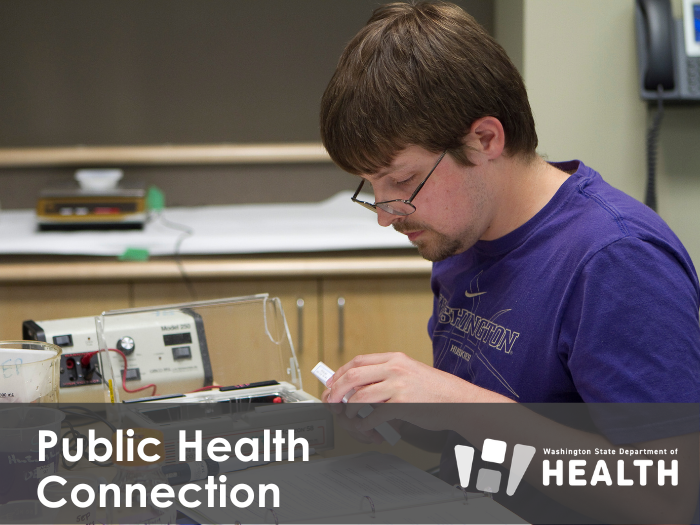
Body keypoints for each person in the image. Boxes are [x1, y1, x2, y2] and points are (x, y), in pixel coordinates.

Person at [318, 2, 700, 522]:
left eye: (403, 182)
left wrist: (456, 403)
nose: (386, 216)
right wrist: (407, 414)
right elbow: (498, 442)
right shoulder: (462, 234)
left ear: (485, 140)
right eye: (372, 187)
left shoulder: (615, 261)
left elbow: (670, 494)